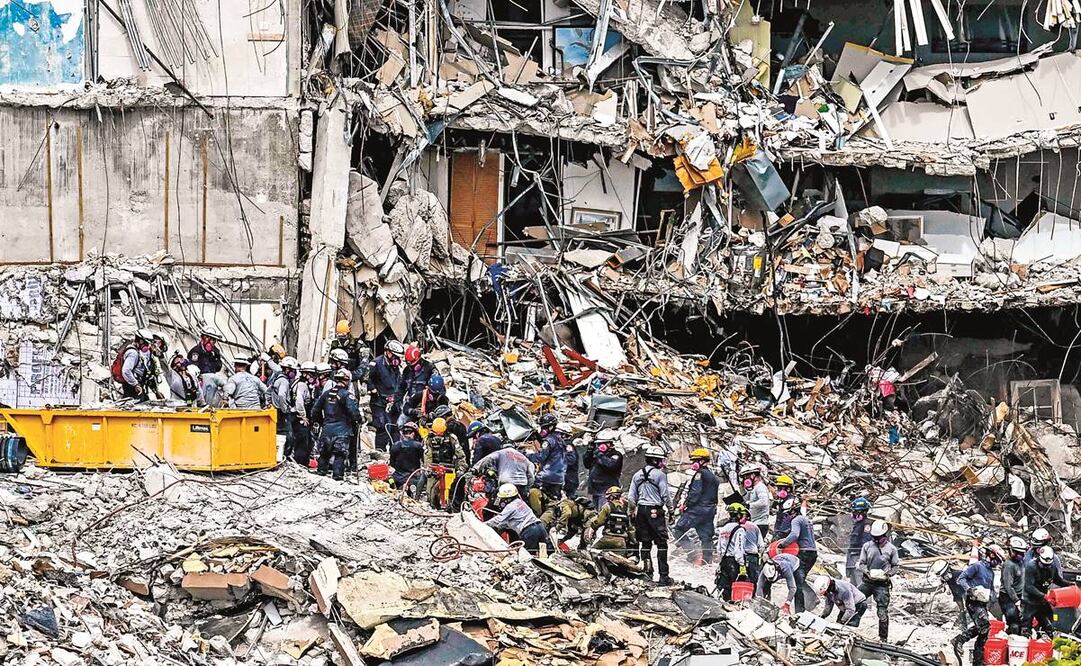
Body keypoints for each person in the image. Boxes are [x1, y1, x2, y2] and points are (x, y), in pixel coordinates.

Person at [952, 546, 1004, 666]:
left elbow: (991, 588)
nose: (997, 563)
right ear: (991, 555)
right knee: (984, 625)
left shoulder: (991, 572)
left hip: (983, 602)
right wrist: (969, 589)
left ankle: (978, 660)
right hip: (973, 601)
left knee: (984, 631)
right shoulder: (977, 566)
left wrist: (992, 596)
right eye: (997, 560)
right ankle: (959, 639)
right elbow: (961, 579)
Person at [629, 444, 672, 586]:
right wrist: (671, 510)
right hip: (655, 511)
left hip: (641, 511)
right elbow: (665, 495)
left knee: (645, 543)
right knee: (661, 544)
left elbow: (631, 497)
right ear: (655, 460)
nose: (662, 463)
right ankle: (663, 577)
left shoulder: (637, 475)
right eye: (660, 460)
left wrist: (631, 511)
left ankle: (647, 574)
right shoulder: (660, 475)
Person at [310, 369, 363, 480]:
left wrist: (321, 422)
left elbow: (315, 410)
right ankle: (337, 476)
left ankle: (321, 472)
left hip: (327, 429)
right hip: (342, 431)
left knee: (324, 454)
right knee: (340, 455)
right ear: (347, 381)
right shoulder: (347, 395)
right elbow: (354, 412)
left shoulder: (326, 394)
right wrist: (359, 420)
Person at [674, 448, 719, 566]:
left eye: (695, 461)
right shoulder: (713, 476)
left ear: (702, 461)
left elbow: (695, 493)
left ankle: (693, 554)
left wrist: (686, 505)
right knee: (706, 537)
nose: (692, 463)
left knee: (678, 529)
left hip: (697, 510)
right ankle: (706, 562)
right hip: (710, 510)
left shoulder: (700, 474)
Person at [857, 520, 898, 641]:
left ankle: (883, 638)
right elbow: (862, 563)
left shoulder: (892, 549)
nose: (876, 540)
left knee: (882, 611)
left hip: (882, 584)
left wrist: (888, 574)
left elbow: (895, 566)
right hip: (867, 582)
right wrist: (867, 572)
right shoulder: (867, 546)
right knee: (856, 600)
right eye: (874, 538)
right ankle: (850, 625)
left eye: (879, 538)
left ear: (885, 535)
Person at [486, 483, 551, 555]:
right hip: (540, 527)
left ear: (506, 498)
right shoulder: (520, 502)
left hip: (529, 531)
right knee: (547, 552)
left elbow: (497, 520)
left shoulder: (510, 507)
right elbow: (508, 522)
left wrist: (482, 525)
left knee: (527, 556)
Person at [778, 497, 818, 614]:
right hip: (813, 553)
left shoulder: (796, 520)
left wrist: (783, 544)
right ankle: (811, 599)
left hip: (804, 553)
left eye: (788, 513)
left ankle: (800, 611)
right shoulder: (806, 519)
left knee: (797, 583)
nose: (787, 516)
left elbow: (794, 535)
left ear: (793, 511)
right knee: (800, 579)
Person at [1022, 545, 1068, 637]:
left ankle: (1045, 639)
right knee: (1026, 626)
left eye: (1048, 565)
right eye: (1044, 565)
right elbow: (1029, 587)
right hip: (1030, 601)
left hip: (1042, 601)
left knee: (1048, 623)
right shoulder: (1031, 566)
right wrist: (1044, 596)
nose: (1045, 567)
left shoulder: (1052, 567)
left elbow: (1057, 580)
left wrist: (1069, 584)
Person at [367, 341, 404, 451]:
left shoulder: (396, 367)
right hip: (379, 402)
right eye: (395, 356)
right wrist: (373, 390)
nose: (396, 359)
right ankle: (380, 450)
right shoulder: (376, 363)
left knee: (395, 427)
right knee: (382, 426)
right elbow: (366, 377)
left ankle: (395, 451)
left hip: (394, 402)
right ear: (388, 352)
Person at [424, 417, 467, 509]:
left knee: (449, 491)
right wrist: (428, 469)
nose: (439, 436)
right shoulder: (428, 439)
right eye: (436, 433)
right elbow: (428, 456)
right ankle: (433, 507)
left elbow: (460, 455)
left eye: (441, 434)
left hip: (449, 469)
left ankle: (451, 507)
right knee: (431, 493)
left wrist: (461, 468)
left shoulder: (452, 438)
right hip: (434, 469)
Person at [470, 444, 536, 500]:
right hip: (522, 485)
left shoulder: (501, 452)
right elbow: (531, 476)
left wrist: (475, 469)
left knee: (495, 504)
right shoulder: (524, 458)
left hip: (506, 483)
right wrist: (527, 488)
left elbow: (488, 458)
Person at [714, 502, 749, 600]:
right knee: (735, 588)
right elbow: (739, 549)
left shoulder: (723, 529)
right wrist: (742, 565)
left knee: (724, 588)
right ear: (739, 515)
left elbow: (719, 549)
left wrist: (720, 561)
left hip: (724, 561)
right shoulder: (740, 530)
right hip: (734, 562)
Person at [587, 486, 635, 554]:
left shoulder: (607, 507)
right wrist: (633, 542)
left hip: (607, 539)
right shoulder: (626, 509)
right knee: (621, 558)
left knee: (592, 551)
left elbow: (599, 521)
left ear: (610, 497)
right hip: (621, 542)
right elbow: (630, 529)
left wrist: (592, 529)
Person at [529, 413, 566, 499]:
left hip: (546, 476)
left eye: (544, 427)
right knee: (555, 500)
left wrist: (528, 455)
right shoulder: (560, 440)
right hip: (559, 477)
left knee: (533, 493)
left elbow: (541, 458)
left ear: (551, 427)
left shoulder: (548, 441)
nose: (542, 430)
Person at [287, 362, 316, 465]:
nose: (313, 377)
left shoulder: (299, 383)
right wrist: (303, 416)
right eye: (311, 374)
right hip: (298, 415)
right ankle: (301, 462)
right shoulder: (302, 385)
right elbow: (299, 401)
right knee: (302, 440)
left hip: (296, 415)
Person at [583, 437, 623, 509]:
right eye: (598, 444)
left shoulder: (615, 455)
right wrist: (589, 451)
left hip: (607, 490)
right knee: (596, 512)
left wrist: (600, 454)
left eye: (601, 444)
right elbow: (587, 464)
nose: (599, 446)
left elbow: (610, 465)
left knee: (603, 511)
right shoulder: (597, 455)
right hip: (595, 489)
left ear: (609, 443)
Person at [187, 328, 224, 406]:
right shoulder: (196, 351)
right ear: (203, 338)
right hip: (200, 381)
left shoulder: (215, 351)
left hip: (212, 381)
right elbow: (192, 368)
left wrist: (214, 357)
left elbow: (218, 367)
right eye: (209, 338)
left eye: (214, 340)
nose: (212, 342)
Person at [1000, 536, 1026, 636]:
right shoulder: (1009, 565)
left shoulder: (1021, 563)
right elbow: (1008, 586)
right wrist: (1016, 600)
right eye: (1018, 552)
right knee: (1014, 624)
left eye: (1022, 553)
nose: (1020, 555)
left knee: (1021, 622)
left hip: (1019, 595)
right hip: (1007, 597)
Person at [118, 329, 154, 400]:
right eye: (146, 343)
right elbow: (126, 371)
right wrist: (135, 384)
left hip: (134, 384)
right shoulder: (133, 353)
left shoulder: (136, 351)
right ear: (141, 341)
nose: (147, 346)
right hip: (132, 386)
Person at [398, 344, 435, 409]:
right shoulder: (407, 371)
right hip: (411, 404)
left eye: (413, 365)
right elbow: (401, 388)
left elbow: (438, 388)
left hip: (426, 404)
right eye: (409, 366)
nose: (411, 368)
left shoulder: (429, 368)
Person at [389, 422, 424, 491]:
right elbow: (423, 460)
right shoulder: (418, 446)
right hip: (413, 478)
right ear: (413, 434)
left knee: (390, 480)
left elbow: (392, 463)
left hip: (398, 479)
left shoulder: (395, 445)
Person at [740, 463, 771, 538]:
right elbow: (746, 500)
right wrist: (742, 489)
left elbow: (764, 502)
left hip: (760, 524)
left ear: (753, 475)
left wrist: (749, 505)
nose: (745, 479)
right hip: (754, 522)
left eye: (746, 476)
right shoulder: (754, 488)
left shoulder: (760, 487)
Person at [847, 497, 873, 586]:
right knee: (853, 586)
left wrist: (861, 560)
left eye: (854, 512)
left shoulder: (866, 525)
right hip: (853, 558)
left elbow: (866, 544)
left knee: (861, 585)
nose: (853, 514)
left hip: (859, 558)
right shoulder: (858, 524)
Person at [772, 474, 796, 539]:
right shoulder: (782, 500)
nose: (778, 491)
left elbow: (787, 519)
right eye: (778, 488)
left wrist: (779, 535)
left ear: (788, 489)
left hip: (785, 535)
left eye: (781, 488)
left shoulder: (790, 501)